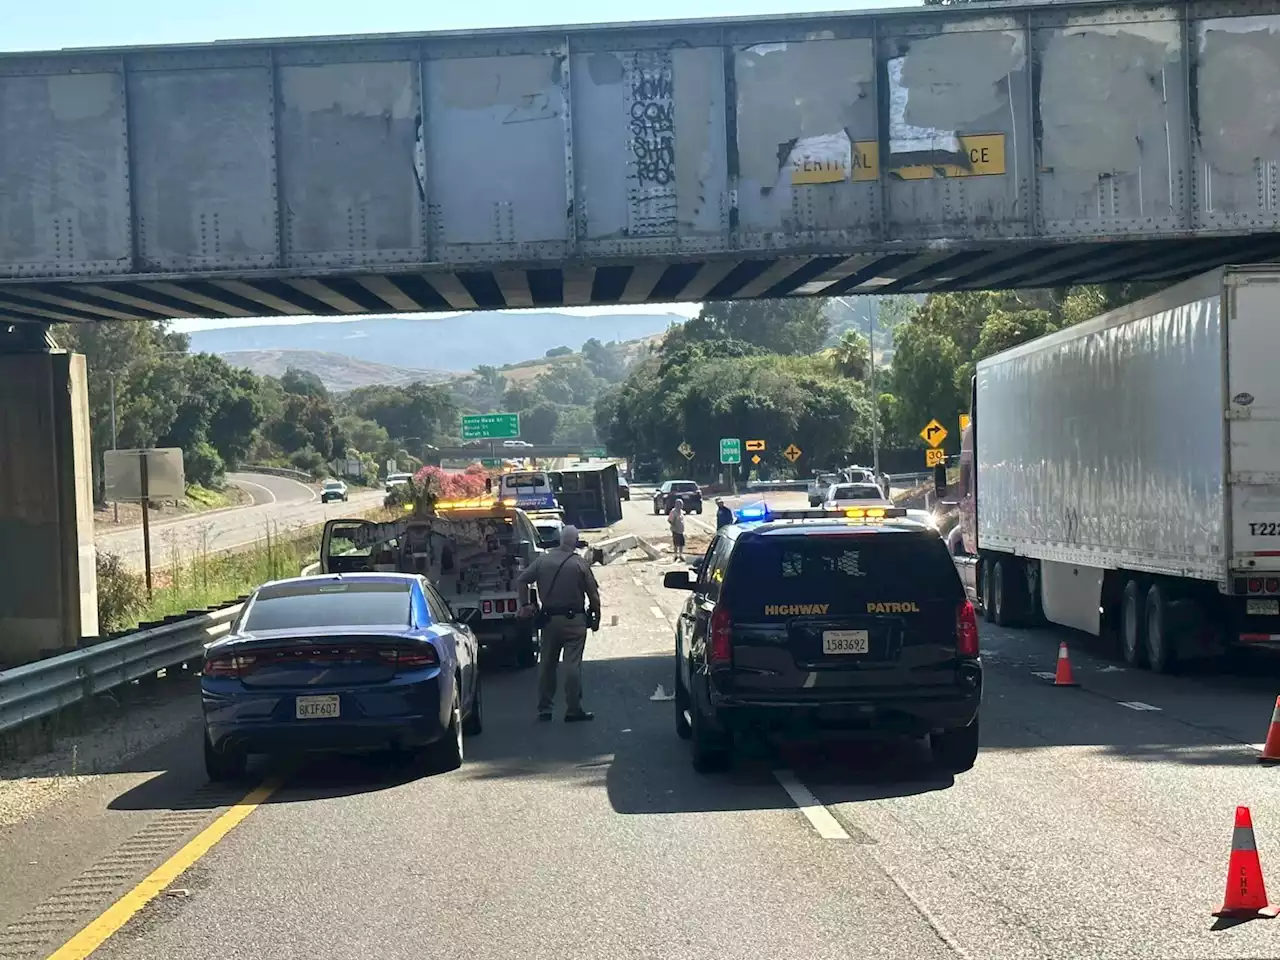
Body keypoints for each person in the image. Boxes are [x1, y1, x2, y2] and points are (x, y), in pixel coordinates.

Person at [517, 524, 601, 723]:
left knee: (547, 664)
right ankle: (573, 708)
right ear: (575, 542)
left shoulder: (542, 561)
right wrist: (597, 616)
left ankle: (544, 708)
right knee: (572, 665)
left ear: (560, 540)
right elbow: (593, 595)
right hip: (575, 621)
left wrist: (527, 605)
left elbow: (522, 580)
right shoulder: (579, 564)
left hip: (549, 620)